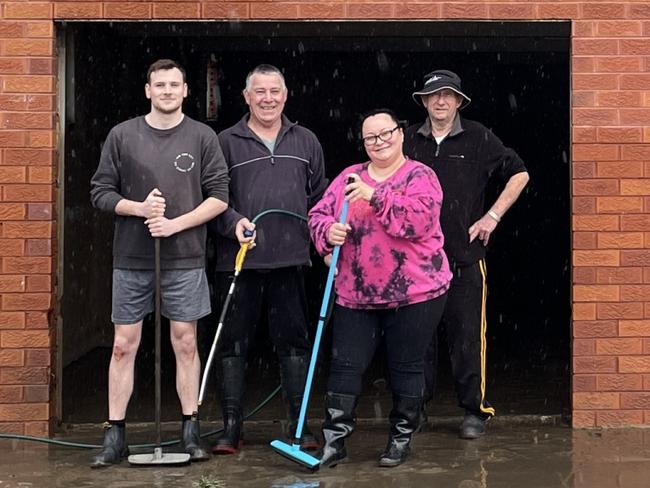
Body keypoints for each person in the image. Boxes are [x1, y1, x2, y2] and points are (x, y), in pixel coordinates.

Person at [89, 59, 229, 467]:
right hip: (131, 258)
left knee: (185, 343)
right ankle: (115, 436)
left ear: (186, 91)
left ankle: (190, 430)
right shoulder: (122, 135)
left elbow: (219, 196)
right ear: (148, 90)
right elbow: (100, 192)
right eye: (159, 85)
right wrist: (138, 208)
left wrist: (174, 225)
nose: (167, 91)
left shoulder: (202, 137)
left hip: (184, 259)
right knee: (122, 346)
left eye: (174, 85)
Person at [308, 109, 451, 468]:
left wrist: (375, 196)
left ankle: (401, 438)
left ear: (401, 134)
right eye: (371, 137)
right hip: (356, 292)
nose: (379, 141)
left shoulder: (421, 176)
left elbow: (418, 221)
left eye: (386, 133)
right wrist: (327, 233)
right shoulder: (348, 177)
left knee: (406, 365)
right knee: (345, 365)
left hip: (416, 292)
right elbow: (318, 214)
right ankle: (335, 439)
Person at [403, 69, 530, 439]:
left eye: (447, 95)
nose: (440, 101)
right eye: (433, 95)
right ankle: (414, 409)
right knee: (416, 339)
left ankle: (475, 410)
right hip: (415, 261)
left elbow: (519, 173)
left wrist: (492, 215)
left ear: (459, 101)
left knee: (467, 338)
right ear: (423, 101)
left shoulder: (478, 137)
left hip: (463, 256)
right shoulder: (407, 139)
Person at [210, 64, 327, 454]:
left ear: (285, 95)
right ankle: (231, 428)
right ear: (246, 97)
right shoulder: (225, 141)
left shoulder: (306, 140)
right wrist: (233, 222)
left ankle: (297, 424)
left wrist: (323, 242)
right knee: (233, 346)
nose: (267, 98)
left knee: (294, 344)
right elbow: (212, 197)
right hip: (239, 261)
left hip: (291, 261)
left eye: (274, 91)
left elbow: (320, 199)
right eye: (259, 91)